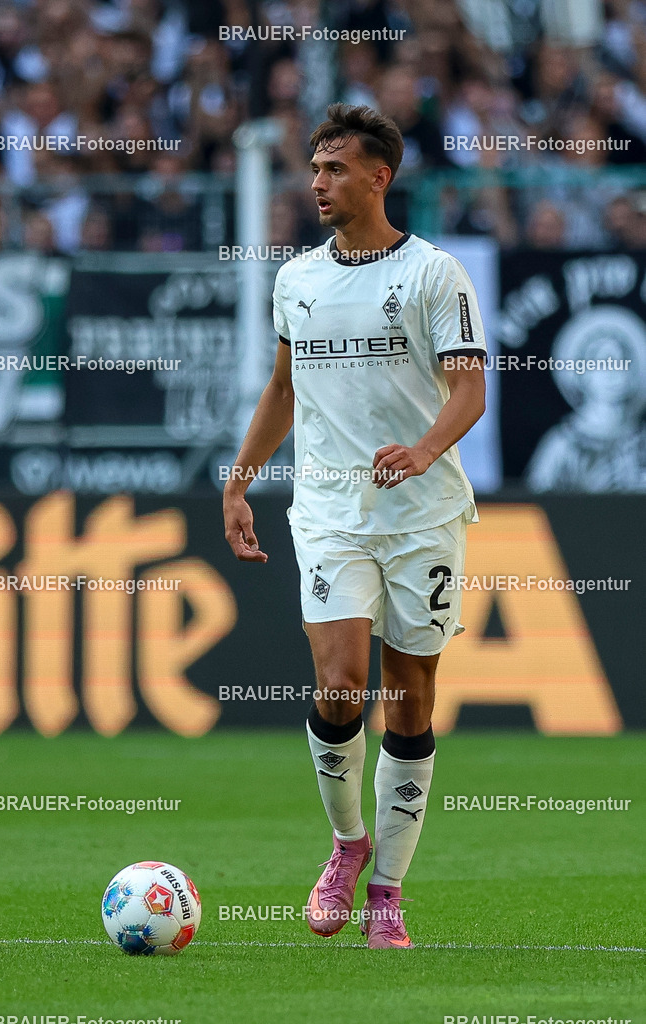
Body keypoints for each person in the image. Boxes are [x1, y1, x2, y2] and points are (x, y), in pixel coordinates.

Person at [223, 103, 487, 949]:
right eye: (312, 167)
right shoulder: (297, 278)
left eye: (334, 169)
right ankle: (345, 849)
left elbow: (469, 389)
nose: (316, 183)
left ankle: (389, 893)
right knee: (340, 685)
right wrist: (238, 481)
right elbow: (281, 390)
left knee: (409, 699)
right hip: (331, 510)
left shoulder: (435, 274)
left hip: (423, 516)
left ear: (380, 176)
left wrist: (421, 449)